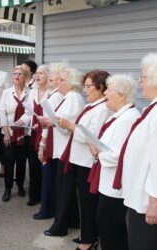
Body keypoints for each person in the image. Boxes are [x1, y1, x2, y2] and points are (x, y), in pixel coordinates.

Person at [57, 70, 110, 249]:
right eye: (85, 86)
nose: (85, 90)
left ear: (101, 87)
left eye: (88, 86)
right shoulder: (91, 105)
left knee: (89, 203)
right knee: (84, 202)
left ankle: (88, 241)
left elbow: (92, 137)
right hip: (80, 160)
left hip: (89, 162)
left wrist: (70, 126)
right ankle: (87, 235)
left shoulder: (103, 108)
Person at [87, 74, 140, 250]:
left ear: (122, 95)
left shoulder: (128, 118)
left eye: (109, 90)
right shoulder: (119, 115)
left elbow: (119, 155)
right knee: (107, 226)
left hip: (115, 187)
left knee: (111, 228)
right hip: (108, 183)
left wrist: (97, 153)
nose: (105, 94)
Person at [115, 53, 157, 250]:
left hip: (146, 204)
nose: (139, 82)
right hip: (139, 200)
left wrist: (154, 203)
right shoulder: (152, 108)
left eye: (143, 77)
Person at [42, 66, 84, 237]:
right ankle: (73, 220)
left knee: (63, 189)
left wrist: (50, 121)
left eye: (62, 80)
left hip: (67, 151)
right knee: (67, 189)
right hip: (65, 150)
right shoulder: (69, 97)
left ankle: (60, 227)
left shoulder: (73, 97)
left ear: (71, 83)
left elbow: (67, 127)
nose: (59, 83)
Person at [32, 62, 65, 219]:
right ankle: (47, 207)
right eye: (50, 74)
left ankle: (47, 209)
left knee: (49, 174)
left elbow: (49, 122)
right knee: (49, 175)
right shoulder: (54, 94)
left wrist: (43, 144)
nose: (51, 77)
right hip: (50, 137)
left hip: (51, 139)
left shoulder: (57, 96)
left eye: (54, 74)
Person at [14, 64, 51, 206]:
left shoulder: (52, 93)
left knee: (44, 166)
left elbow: (51, 117)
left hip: (46, 135)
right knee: (33, 166)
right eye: (37, 74)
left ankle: (44, 197)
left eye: (41, 73)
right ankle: (33, 196)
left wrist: (41, 125)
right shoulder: (33, 92)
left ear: (48, 76)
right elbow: (28, 113)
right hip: (32, 135)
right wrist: (21, 121)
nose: (38, 76)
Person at [0, 65, 30, 202]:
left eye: (20, 74)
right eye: (14, 73)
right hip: (9, 133)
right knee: (9, 161)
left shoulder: (31, 92)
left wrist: (20, 123)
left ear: (25, 77)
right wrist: (6, 133)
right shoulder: (7, 92)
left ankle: (20, 186)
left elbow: (30, 113)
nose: (16, 76)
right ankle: (7, 189)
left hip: (24, 133)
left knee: (22, 162)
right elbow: (3, 112)